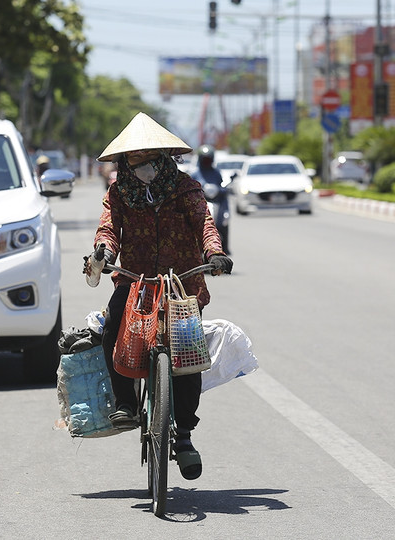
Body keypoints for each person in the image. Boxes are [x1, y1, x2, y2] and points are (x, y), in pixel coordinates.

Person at [84, 112, 233, 481]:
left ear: (163, 156)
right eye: (134, 159)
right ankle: (125, 403)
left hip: (182, 281)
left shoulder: (187, 189)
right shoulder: (118, 193)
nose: (142, 165)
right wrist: (103, 252)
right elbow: (108, 230)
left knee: (189, 355)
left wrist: (214, 253)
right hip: (134, 281)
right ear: (125, 162)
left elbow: (205, 223)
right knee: (112, 327)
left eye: (148, 157)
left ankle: (184, 436)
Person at [191, 144, 230, 254]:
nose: (207, 161)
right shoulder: (195, 174)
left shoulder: (216, 173)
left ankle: (225, 247)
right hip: (200, 204)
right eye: (205, 159)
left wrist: (222, 190)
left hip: (216, 202)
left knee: (224, 221)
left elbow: (222, 187)